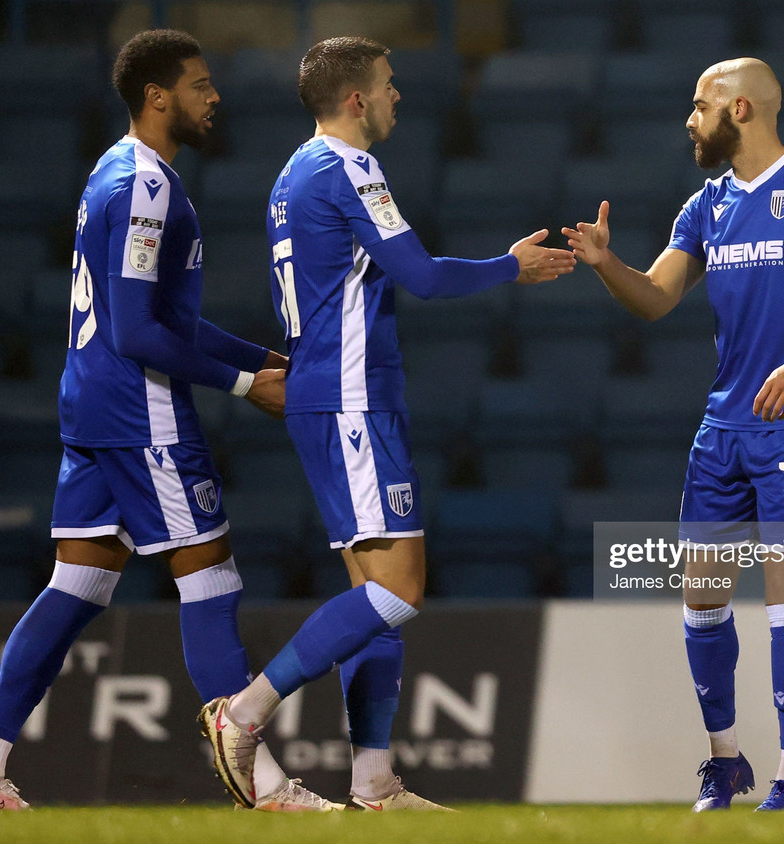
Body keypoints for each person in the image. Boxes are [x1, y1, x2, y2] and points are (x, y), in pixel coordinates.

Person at [0, 29, 341, 813]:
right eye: (198, 85)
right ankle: (260, 784)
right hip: (139, 411)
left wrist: (267, 358)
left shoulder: (114, 172)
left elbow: (162, 316)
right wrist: (242, 383)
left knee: (77, 584)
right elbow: (138, 332)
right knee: (212, 575)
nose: (213, 96)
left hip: (93, 405)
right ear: (158, 96)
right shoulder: (147, 188)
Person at [197, 36, 575, 812]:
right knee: (399, 590)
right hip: (350, 399)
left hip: (331, 397)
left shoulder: (290, 174)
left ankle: (373, 784)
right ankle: (243, 715)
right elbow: (422, 276)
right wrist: (512, 266)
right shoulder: (349, 166)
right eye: (389, 84)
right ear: (357, 99)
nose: (399, 96)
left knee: (373, 596)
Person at [563, 58, 784, 811]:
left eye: (699, 104)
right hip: (724, 425)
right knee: (701, 594)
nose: (689, 118)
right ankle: (726, 761)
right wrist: (608, 264)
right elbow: (655, 299)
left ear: (739, 109)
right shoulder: (704, 205)